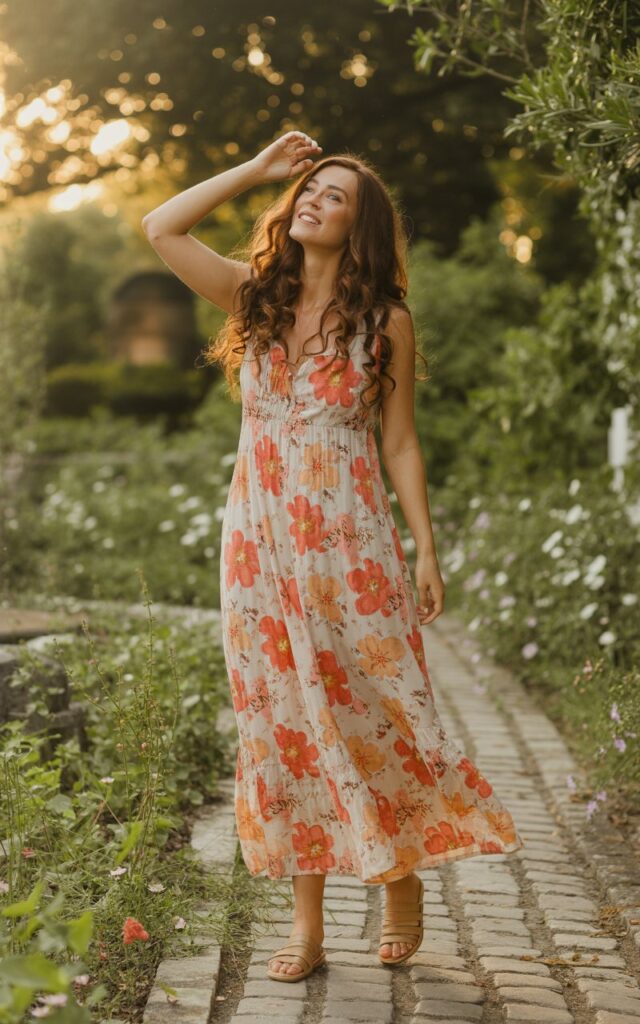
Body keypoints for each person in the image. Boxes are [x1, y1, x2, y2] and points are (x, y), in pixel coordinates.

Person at [142, 131, 524, 982]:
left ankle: (399, 879)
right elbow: (160, 227)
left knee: (377, 711)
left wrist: (427, 549)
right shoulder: (253, 299)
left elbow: (402, 445)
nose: (314, 198)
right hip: (258, 549)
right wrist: (255, 170)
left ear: (363, 227)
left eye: (336, 195)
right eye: (310, 189)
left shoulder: (386, 322)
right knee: (280, 727)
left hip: (351, 549)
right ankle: (306, 928)